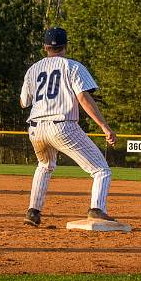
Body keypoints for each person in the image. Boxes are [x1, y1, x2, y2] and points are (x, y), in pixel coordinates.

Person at [20, 26, 117, 227]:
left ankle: (33, 212)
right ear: (65, 45)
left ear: (45, 47)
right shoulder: (72, 66)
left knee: (45, 166)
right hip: (62, 126)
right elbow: (83, 97)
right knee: (101, 170)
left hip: (36, 128)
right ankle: (97, 209)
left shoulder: (33, 69)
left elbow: (24, 102)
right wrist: (104, 127)